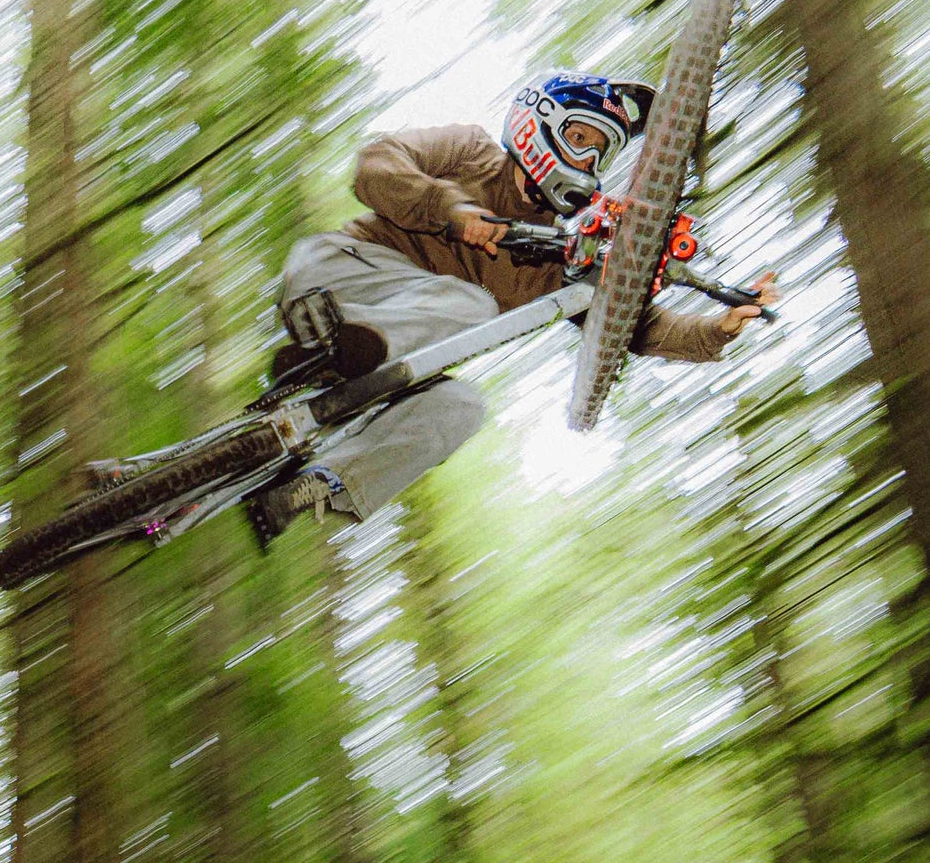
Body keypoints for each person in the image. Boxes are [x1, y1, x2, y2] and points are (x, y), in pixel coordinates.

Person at [249, 71, 779, 542]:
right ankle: (333, 350)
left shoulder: (555, 262)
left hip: (382, 357)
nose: (586, 161)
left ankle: (313, 486)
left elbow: (631, 324)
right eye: (579, 138)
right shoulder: (469, 151)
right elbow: (375, 165)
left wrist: (717, 329)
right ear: (538, 121)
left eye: (598, 154)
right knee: (472, 305)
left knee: (462, 406)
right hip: (337, 278)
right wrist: (451, 210)